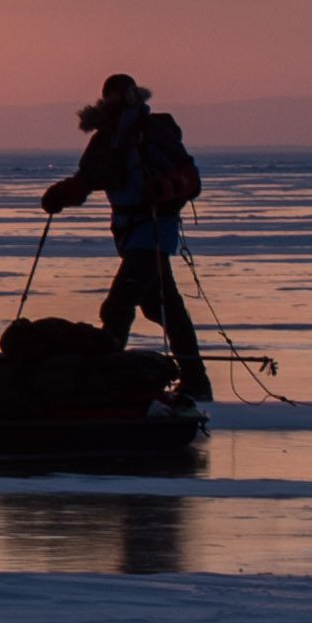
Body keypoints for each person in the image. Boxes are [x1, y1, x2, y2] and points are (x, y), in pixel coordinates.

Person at [40, 72, 214, 391]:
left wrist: (165, 188)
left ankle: (104, 380)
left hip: (154, 230)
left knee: (118, 306)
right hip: (127, 233)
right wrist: (60, 195)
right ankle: (196, 381)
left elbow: (190, 176)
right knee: (161, 306)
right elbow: (86, 180)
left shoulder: (154, 131)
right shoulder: (105, 139)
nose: (115, 103)